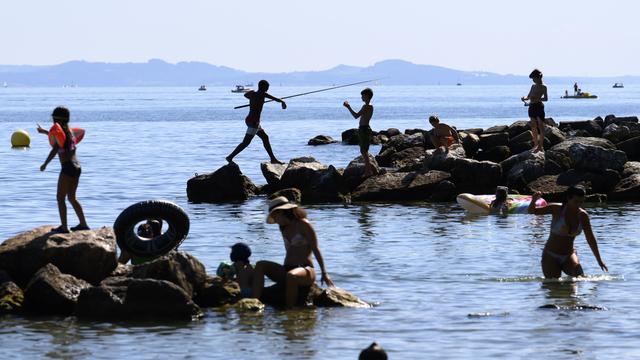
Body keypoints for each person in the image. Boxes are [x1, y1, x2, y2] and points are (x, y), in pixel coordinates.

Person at [252, 196, 334, 308]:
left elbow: (316, 248)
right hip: (287, 269)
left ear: (281, 212)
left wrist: (324, 273)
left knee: (291, 276)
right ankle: (254, 303)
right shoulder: (283, 228)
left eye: (274, 216)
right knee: (260, 265)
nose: (274, 220)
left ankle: (290, 311)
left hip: (305, 270)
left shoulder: (303, 224)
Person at [528, 186, 608, 278]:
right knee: (553, 286)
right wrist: (533, 200)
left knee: (579, 278)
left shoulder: (582, 216)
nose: (578, 205)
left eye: (581, 202)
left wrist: (599, 260)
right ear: (568, 199)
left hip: (569, 255)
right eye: (576, 202)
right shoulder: (556, 209)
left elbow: (590, 238)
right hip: (550, 255)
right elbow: (532, 211)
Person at [37, 106, 89, 233]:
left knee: (60, 198)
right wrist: (45, 132)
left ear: (55, 119)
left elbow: (55, 148)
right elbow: (59, 139)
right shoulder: (70, 132)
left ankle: (64, 228)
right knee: (72, 198)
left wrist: (45, 164)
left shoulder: (61, 132)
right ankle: (83, 224)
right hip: (77, 167)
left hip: (67, 168)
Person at [226, 80, 286, 164]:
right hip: (253, 122)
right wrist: (283, 102)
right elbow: (277, 99)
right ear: (264, 88)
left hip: (250, 120)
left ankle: (273, 159)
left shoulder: (252, 94)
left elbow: (245, 95)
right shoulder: (263, 94)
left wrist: (255, 100)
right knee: (246, 142)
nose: (267, 89)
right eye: (267, 88)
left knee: (265, 137)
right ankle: (230, 157)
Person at [343, 88, 376, 177]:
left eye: (363, 95)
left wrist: (348, 107)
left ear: (367, 96)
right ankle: (368, 170)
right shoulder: (370, 106)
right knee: (364, 151)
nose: (361, 97)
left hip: (364, 129)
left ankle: (368, 171)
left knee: (363, 151)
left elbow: (356, 116)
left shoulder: (366, 106)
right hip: (365, 128)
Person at [521, 69, 548, 153]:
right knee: (533, 125)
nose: (533, 80)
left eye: (534, 78)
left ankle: (540, 146)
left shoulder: (544, 87)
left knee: (540, 125)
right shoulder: (533, 86)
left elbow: (546, 99)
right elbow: (528, 96)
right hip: (532, 106)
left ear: (539, 77)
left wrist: (537, 98)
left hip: (539, 106)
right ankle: (535, 144)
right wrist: (524, 98)